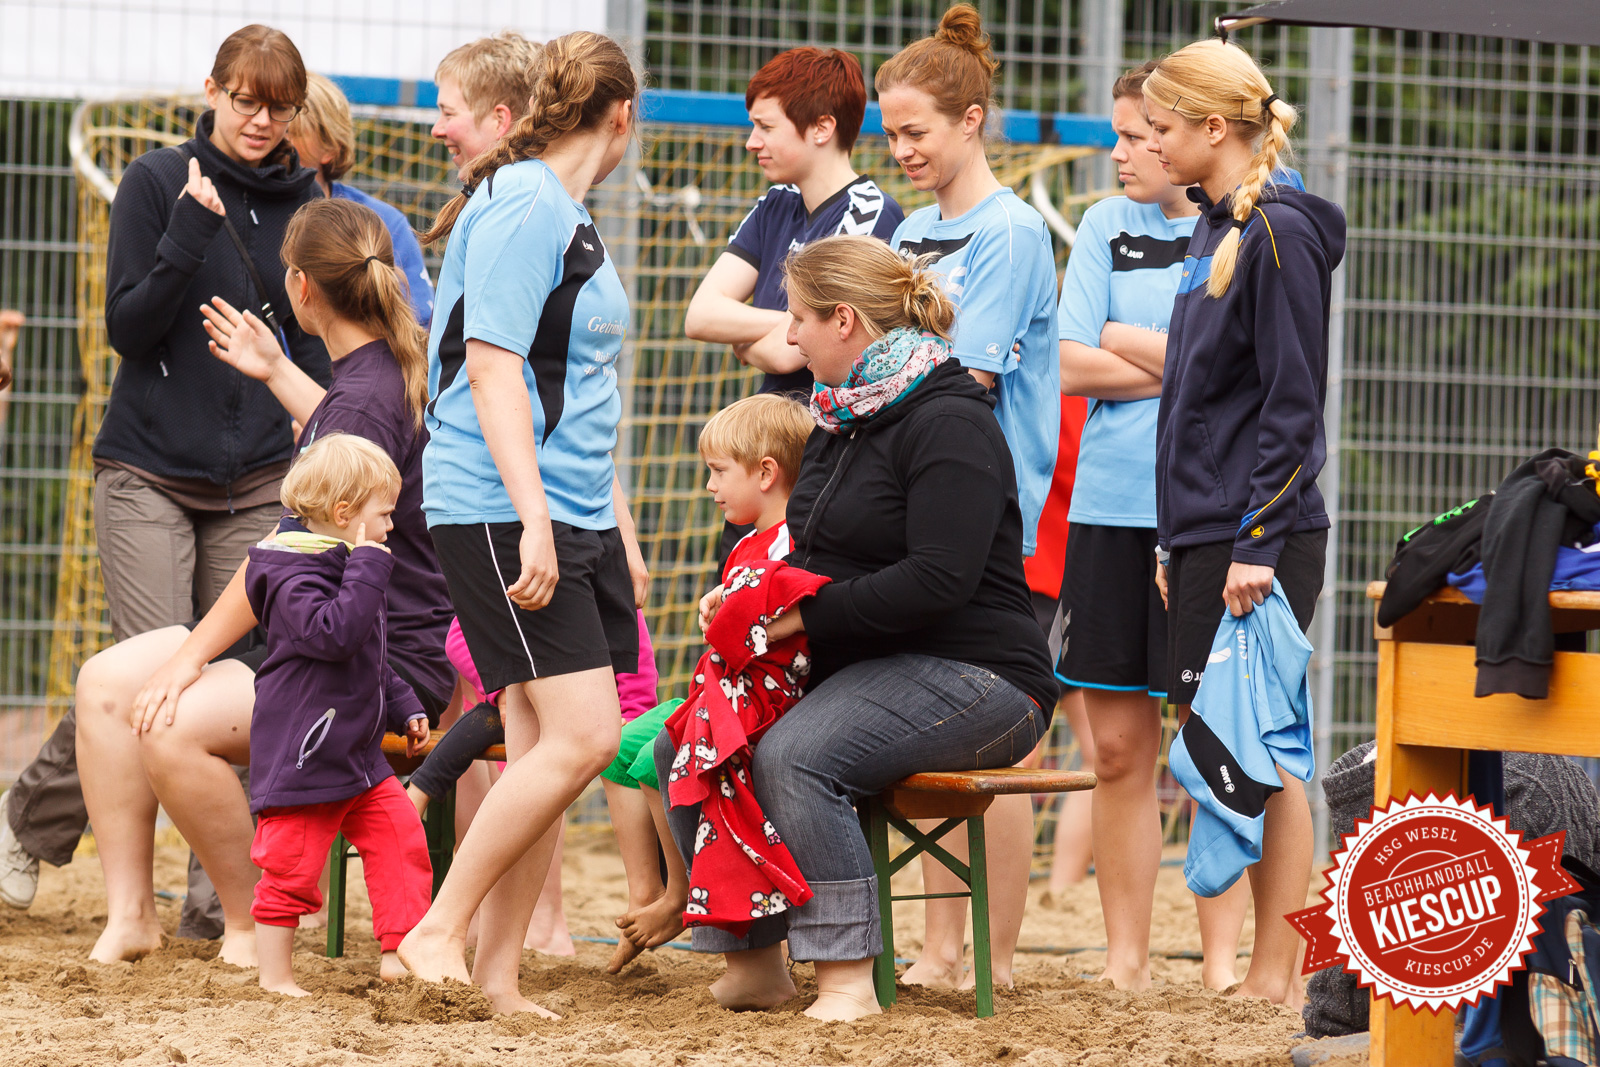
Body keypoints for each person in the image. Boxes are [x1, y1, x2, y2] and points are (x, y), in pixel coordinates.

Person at [656, 234, 1057, 1022]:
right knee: (690, 739)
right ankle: (756, 957)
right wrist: (749, 596)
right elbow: (810, 552)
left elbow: (940, 580)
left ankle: (846, 972)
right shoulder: (840, 416)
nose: (789, 336)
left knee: (798, 755)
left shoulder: (951, 419)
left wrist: (797, 616)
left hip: (982, 676)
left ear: (844, 320)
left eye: (799, 318)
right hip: (868, 663)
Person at [0, 25, 326, 939]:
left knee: (228, 687)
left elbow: (315, 344)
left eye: (278, 105)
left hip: (262, 478)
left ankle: (205, 902)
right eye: (245, 99)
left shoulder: (308, 198)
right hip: (146, 470)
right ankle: (72, 855)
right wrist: (191, 230)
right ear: (213, 90)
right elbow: (129, 330)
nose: (260, 119)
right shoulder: (155, 182)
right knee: (157, 676)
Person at [74, 196, 455, 967]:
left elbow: (271, 565)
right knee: (106, 681)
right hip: (337, 638)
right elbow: (345, 446)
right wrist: (279, 368)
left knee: (166, 721)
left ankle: (254, 923)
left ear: (303, 289)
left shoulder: (362, 399)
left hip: (363, 660)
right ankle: (132, 914)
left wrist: (186, 662)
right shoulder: (375, 377)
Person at [395, 32, 647, 1016]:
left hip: (563, 506)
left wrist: (579, 518)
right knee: (586, 735)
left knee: (545, 740)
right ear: (620, 114)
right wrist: (537, 523)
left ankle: (494, 975)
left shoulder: (560, 207)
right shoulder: (522, 202)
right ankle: (437, 927)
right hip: (506, 504)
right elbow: (492, 368)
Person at [1143, 38, 1345, 1004]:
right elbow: (1195, 400)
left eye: (1163, 127)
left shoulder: (1280, 233)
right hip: (1202, 533)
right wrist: (1172, 537)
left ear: (1213, 129)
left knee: (1263, 741)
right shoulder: (1210, 226)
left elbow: (1292, 406)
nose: (1150, 142)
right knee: (1216, 737)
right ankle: (1260, 965)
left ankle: (1278, 970)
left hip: (1257, 537)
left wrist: (1252, 545)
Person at [875, 3, 1061, 991]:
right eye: (891, 133)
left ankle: (986, 950)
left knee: (998, 733)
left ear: (971, 121)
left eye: (916, 131)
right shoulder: (910, 229)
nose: (900, 149)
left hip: (994, 516)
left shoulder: (1013, 230)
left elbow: (962, 378)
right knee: (929, 724)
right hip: (911, 513)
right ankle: (936, 944)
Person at [1055, 60, 1250, 990]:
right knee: (1119, 747)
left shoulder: (1248, 221)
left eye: (1140, 135)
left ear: (1192, 134)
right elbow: (1067, 362)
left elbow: (1236, 372)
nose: (1127, 152)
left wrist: (1129, 345)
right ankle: (1126, 958)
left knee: (1207, 733)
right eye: (1121, 135)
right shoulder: (1101, 224)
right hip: (1108, 510)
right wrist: (1175, 361)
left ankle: (1221, 963)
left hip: (1206, 516)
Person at [606, 393, 813, 973]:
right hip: (719, 693)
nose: (708, 486)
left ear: (767, 473)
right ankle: (648, 894)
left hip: (766, 704)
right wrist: (717, 604)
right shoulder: (746, 542)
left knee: (657, 754)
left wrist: (736, 618)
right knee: (617, 745)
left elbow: (787, 622)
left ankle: (677, 896)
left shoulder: (798, 540)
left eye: (719, 472)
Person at [683, 46, 903, 560]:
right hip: (765, 466)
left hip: (824, 462)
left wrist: (747, 337)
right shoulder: (775, 204)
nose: (750, 142)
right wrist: (782, 325)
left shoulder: (870, 214)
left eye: (765, 126)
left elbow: (791, 354)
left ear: (822, 128)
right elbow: (700, 314)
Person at [242, 433, 434, 995]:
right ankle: (275, 977)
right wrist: (370, 567)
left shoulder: (347, 562)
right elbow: (334, 635)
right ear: (345, 513)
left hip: (356, 753)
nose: (391, 528)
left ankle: (400, 952)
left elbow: (367, 655)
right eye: (384, 515)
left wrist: (403, 706)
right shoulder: (290, 572)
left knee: (402, 841)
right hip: (306, 752)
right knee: (290, 865)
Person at [288, 72, 436, 326]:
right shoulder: (242, 211)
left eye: (290, 131)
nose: (275, 139)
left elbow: (419, 327)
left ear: (329, 148)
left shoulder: (384, 224)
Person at [431, 32, 541, 179]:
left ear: (499, 121)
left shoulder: (511, 198)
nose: (436, 131)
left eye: (449, 114)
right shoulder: (539, 186)